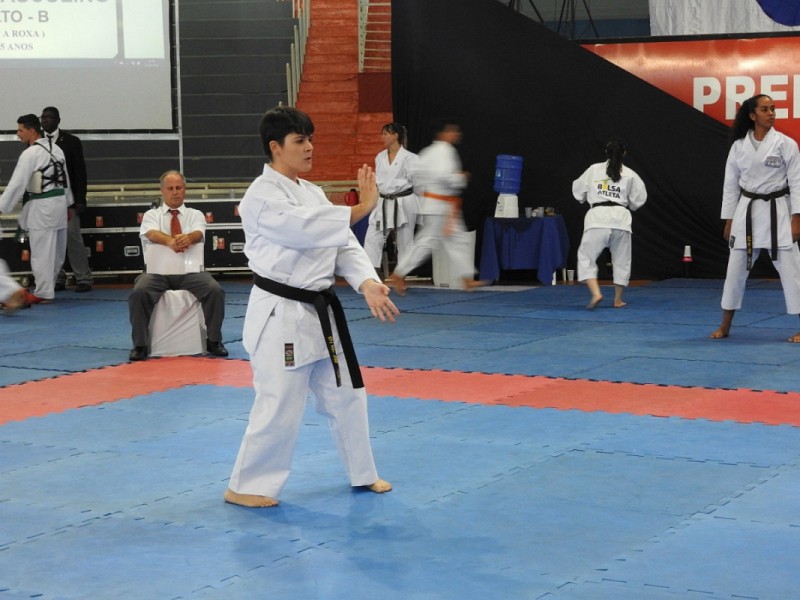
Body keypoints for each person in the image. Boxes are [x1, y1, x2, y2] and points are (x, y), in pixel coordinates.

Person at [224, 106, 397, 508]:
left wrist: (367, 282)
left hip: (321, 313)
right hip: (281, 316)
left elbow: (342, 244)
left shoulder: (311, 192)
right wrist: (361, 208)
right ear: (275, 147)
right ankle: (245, 486)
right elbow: (303, 229)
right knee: (280, 403)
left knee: (348, 395)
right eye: (300, 141)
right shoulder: (261, 196)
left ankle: (363, 472)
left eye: (310, 139)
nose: (309, 148)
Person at [710, 94, 800, 342]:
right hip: (746, 212)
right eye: (765, 109)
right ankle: (725, 325)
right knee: (734, 271)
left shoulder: (786, 144)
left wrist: (796, 218)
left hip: (778, 211)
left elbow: (797, 183)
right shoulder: (739, 146)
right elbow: (730, 185)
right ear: (752, 115)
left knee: (793, 272)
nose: (771, 113)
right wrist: (729, 219)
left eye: (773, 109)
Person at [127, 170, 228, 361]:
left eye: (179, 188)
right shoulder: (151, 215)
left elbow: (198, 233)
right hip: (156, 272)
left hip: (190, 272)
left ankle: (214, 340)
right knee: (139, 292)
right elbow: (151, 233)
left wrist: (187, 238)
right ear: (162, 191)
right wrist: (170, 241)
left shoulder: (195, 214)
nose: (175, 192)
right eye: (170, 188)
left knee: (214, 290)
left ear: (185, 189)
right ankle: (140, 344)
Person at [386, 119, 485, 294]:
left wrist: (426, 191)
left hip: (437, 204)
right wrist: (460, 178)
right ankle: (399, 273)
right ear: (444, 133)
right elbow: (443, 175)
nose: (456, 134)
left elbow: (415, 173)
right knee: (429, 242)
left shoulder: (428, 152)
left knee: (453, 241)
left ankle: (467, 278)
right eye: (453, 131)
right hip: (441, 205)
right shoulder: (444, 150)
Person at [0, 114, 69, 305]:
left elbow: (17, 184)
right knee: (56, 252)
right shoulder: (57, 149)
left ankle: (43, 292)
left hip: (42, 207)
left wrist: (2, 207)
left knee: (41, 252)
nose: (18, 133)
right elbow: (66, 180)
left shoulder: (30, 154)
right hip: (59, 203)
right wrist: (69, 204)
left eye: (21, 130)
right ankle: (47, 287)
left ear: (32, 131)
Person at [572, 139, 648, 309]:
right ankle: (617, 300)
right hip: (620, 219)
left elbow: (578, 192)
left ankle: (596, 293)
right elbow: (638, 200)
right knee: (622, 261)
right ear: (625, 153)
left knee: (586, 257)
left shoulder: (593, 170)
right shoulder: (630, 174)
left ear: (606, 153)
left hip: (597, 219)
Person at [40, 106, 93, 293]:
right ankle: (58, 277)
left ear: (58, 120)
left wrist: (80, 199)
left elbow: (80, 171)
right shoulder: (37, 143)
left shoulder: (71, 141)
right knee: (52, 242)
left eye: (49, 117)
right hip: (46, 201)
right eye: (42, 117)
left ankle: (83, 278)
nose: (44, 120)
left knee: (73, 239)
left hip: (67, 201)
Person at [362, 122, 420, 275]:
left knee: (405, 240)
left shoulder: (410, 158)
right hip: (383, 201)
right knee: (373, 236)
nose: (382, 137)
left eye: (385, 134)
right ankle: (371, 272)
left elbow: (418, 183)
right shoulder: (380, 157)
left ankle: (402, 275)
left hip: (404, 201)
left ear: (395, 136)